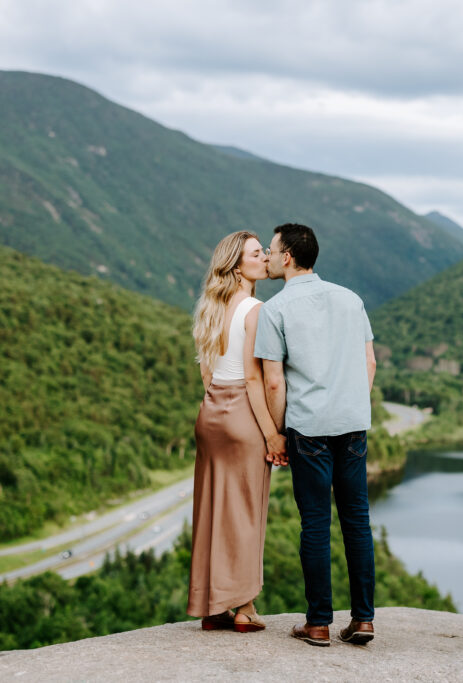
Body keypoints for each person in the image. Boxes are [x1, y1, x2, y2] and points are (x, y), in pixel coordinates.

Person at [254, 223, 378, 647]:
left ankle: (319, 623)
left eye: (270, 250)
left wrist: (279, 432)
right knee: (357, 521)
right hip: (353, 423)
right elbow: (370, 364)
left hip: (308, 429)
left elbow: (273, 382)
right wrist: (353, 405)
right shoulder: (350, 299)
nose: (267, 257)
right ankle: (363, 620)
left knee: (315, 525)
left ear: (287, 256)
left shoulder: (275, 309)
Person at [187, 231, 287, 632]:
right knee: (246, 512)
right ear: (237, 265)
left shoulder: (210, 309)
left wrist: (213, 408)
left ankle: (212, 607)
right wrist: (273, 434)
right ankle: (244, 607)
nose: (265, 257)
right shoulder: (256, 309)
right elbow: (254, 378)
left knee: (211, 510)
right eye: (256, 253)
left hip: (210, 414)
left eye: (265, 251)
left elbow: (207, 372)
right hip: (244, 414)